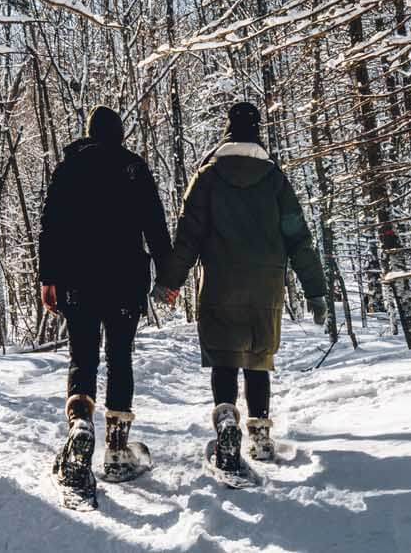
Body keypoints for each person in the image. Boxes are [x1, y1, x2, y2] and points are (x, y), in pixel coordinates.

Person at [154, 101, 327, 477]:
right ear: (258, 132)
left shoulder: (209, 177)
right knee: (258, 358)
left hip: (220, 281)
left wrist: (169, 282)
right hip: (265, 286)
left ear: (227, 131)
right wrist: (315, 289)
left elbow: (189, 235)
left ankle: (227, 423)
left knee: (225, 356)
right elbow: (299, 237)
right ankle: (261, 435)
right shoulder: (276, 180)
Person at [38, 105, 173, 498]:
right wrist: (167, 275)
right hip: (125, 279)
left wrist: (49, 279)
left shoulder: (69, 168)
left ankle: (80, 425)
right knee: (119, 356)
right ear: (120, 134)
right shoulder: (134, 168)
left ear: (89, 133)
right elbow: (155, 224)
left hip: (77, 279)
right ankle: (116, 449)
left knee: (82, 355)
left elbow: (51, 226)